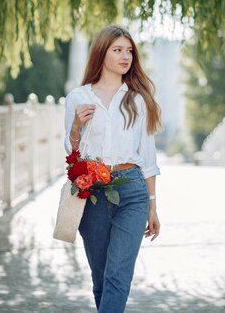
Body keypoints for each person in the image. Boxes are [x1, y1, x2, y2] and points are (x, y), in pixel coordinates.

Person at [64, 25, 162, 313]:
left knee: (118, 275)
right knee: (101, 278)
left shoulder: (139, 100)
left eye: (129, 51)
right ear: (101, 53)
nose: (125, 56)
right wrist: (76, 127)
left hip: (131, 191)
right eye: (117, 50)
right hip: (92, 191)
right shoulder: (78, 98)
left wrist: (153, 206)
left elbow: (148, 156)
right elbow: (71, 155)